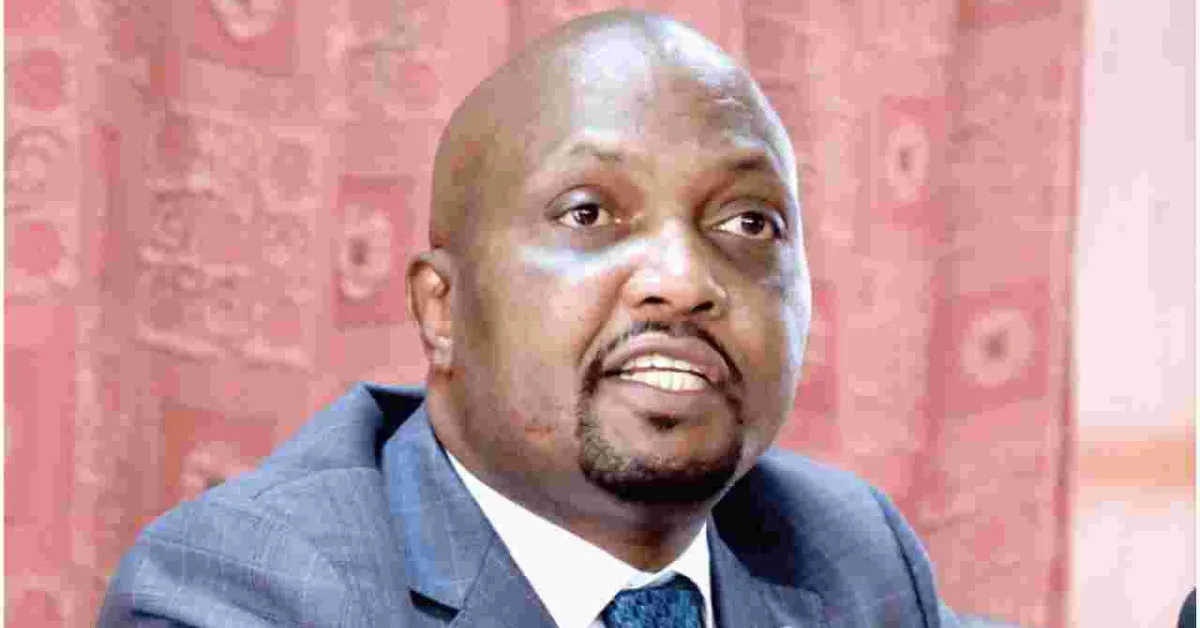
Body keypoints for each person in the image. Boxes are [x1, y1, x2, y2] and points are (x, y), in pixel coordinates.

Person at [99, 10, 958, 628]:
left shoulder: (847, 553)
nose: (682, 280)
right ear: (442, 309)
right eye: (589, 213)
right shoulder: (250, 590)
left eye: (748, 223)